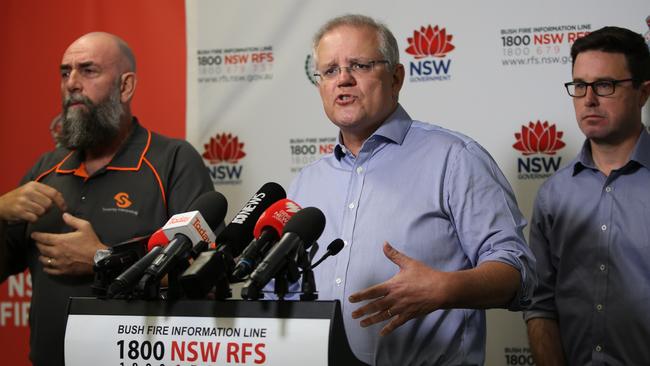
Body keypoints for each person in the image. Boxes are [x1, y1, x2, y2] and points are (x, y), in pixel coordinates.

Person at [286, 14, 536, 365]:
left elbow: (518, 273)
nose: (343, 79)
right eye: (329, 71)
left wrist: (447, 289)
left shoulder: (455, 159)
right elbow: (283, 292)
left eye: (359, 65)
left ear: (396, 78)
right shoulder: (305, 182)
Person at [0, 32, 213, 366]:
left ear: (125, 86)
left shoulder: (172, 161)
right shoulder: (44, 169)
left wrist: (102, 259)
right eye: (65, 72)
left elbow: (205, 275)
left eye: (88, 71)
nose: (72, 83)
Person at [524, 26, 650, 365]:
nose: (589, 99)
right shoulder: (554, 194)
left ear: (643, 92)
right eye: (580, 85)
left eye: (605, 85)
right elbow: (540, 304)